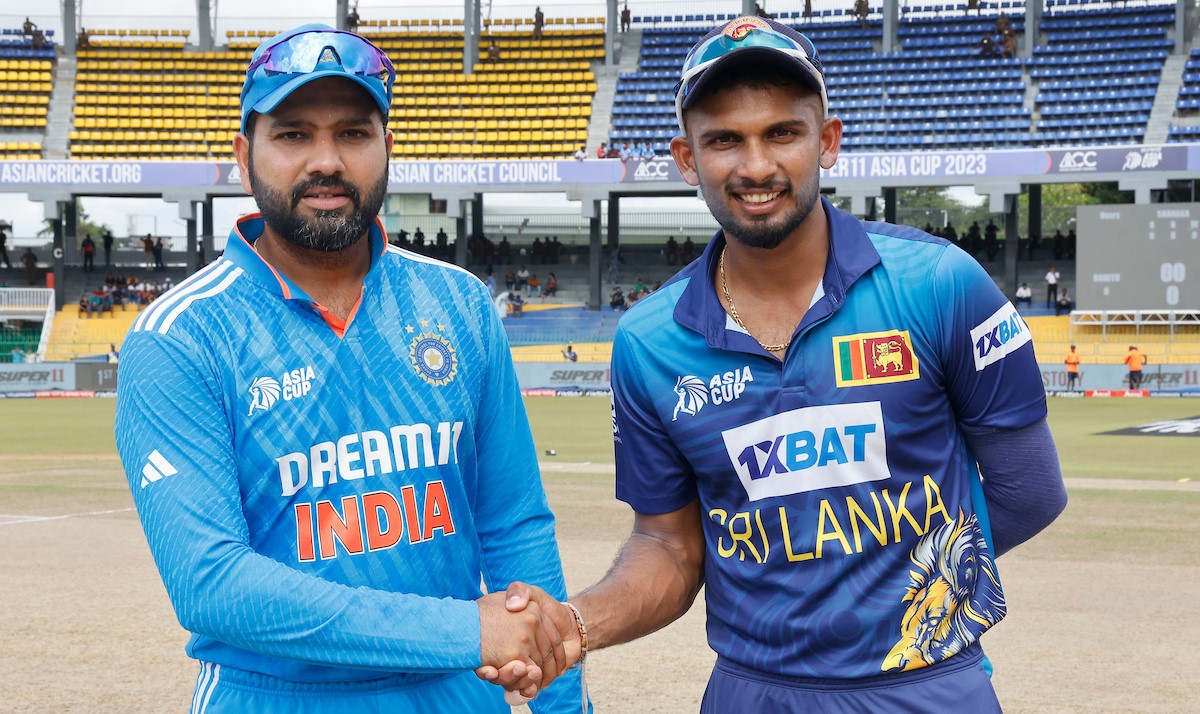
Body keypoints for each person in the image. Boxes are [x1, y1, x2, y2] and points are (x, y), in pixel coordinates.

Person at [488, 16, 1066, 711]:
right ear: (686, 158)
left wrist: (909, 586)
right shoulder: (648, 341)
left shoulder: (941, 284)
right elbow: (668, 546)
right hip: (754, 692)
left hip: (927, 686)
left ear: (828, 141)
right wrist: (575, 625)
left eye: (783, 133)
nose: (756, 166)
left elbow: (1029, 489)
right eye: (724, 140)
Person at [113, 25, 584, 713]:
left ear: (388, 146)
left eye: (354, 134)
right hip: (273, 698)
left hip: (454, 696)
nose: (326, 161)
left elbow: (514, 524)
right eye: (293, 134)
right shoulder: (181, 336)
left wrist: (564, 707)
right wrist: (462, 630)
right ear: (244, 157)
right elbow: (211, 585)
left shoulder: (458, 303)